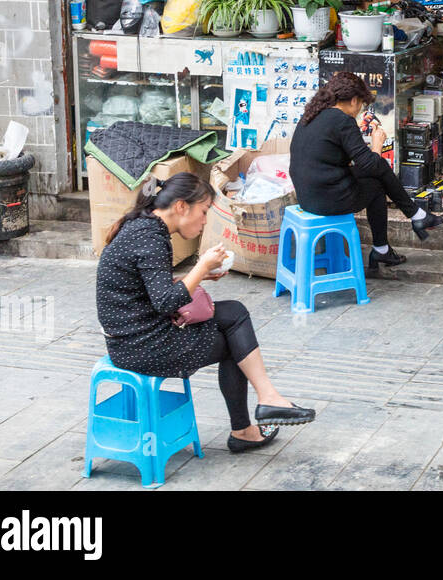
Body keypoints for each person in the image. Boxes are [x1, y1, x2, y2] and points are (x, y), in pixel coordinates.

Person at [96, 173, 316, 454]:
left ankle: (264, 404)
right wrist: (200, 268)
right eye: (203, 212)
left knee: (234, 314)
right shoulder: (150, 238)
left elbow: (151, 291)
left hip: (134, 338)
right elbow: (164, 301)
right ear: (180, 207)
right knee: (234, 345)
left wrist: (200, 276)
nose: (204, 222)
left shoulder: (145, 227)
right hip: (140, 346)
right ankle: (249, 424)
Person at [289, 71, 443, 275]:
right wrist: (377, 145)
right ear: (354, 100)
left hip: (307, 195)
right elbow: (370, 164)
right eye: (361, 105)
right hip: (326, 199)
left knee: (375, 174)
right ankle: (410, 221)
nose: (360, 110)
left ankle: (411, 221)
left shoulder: (314, 114)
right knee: (376, 182)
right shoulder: (343, 121)